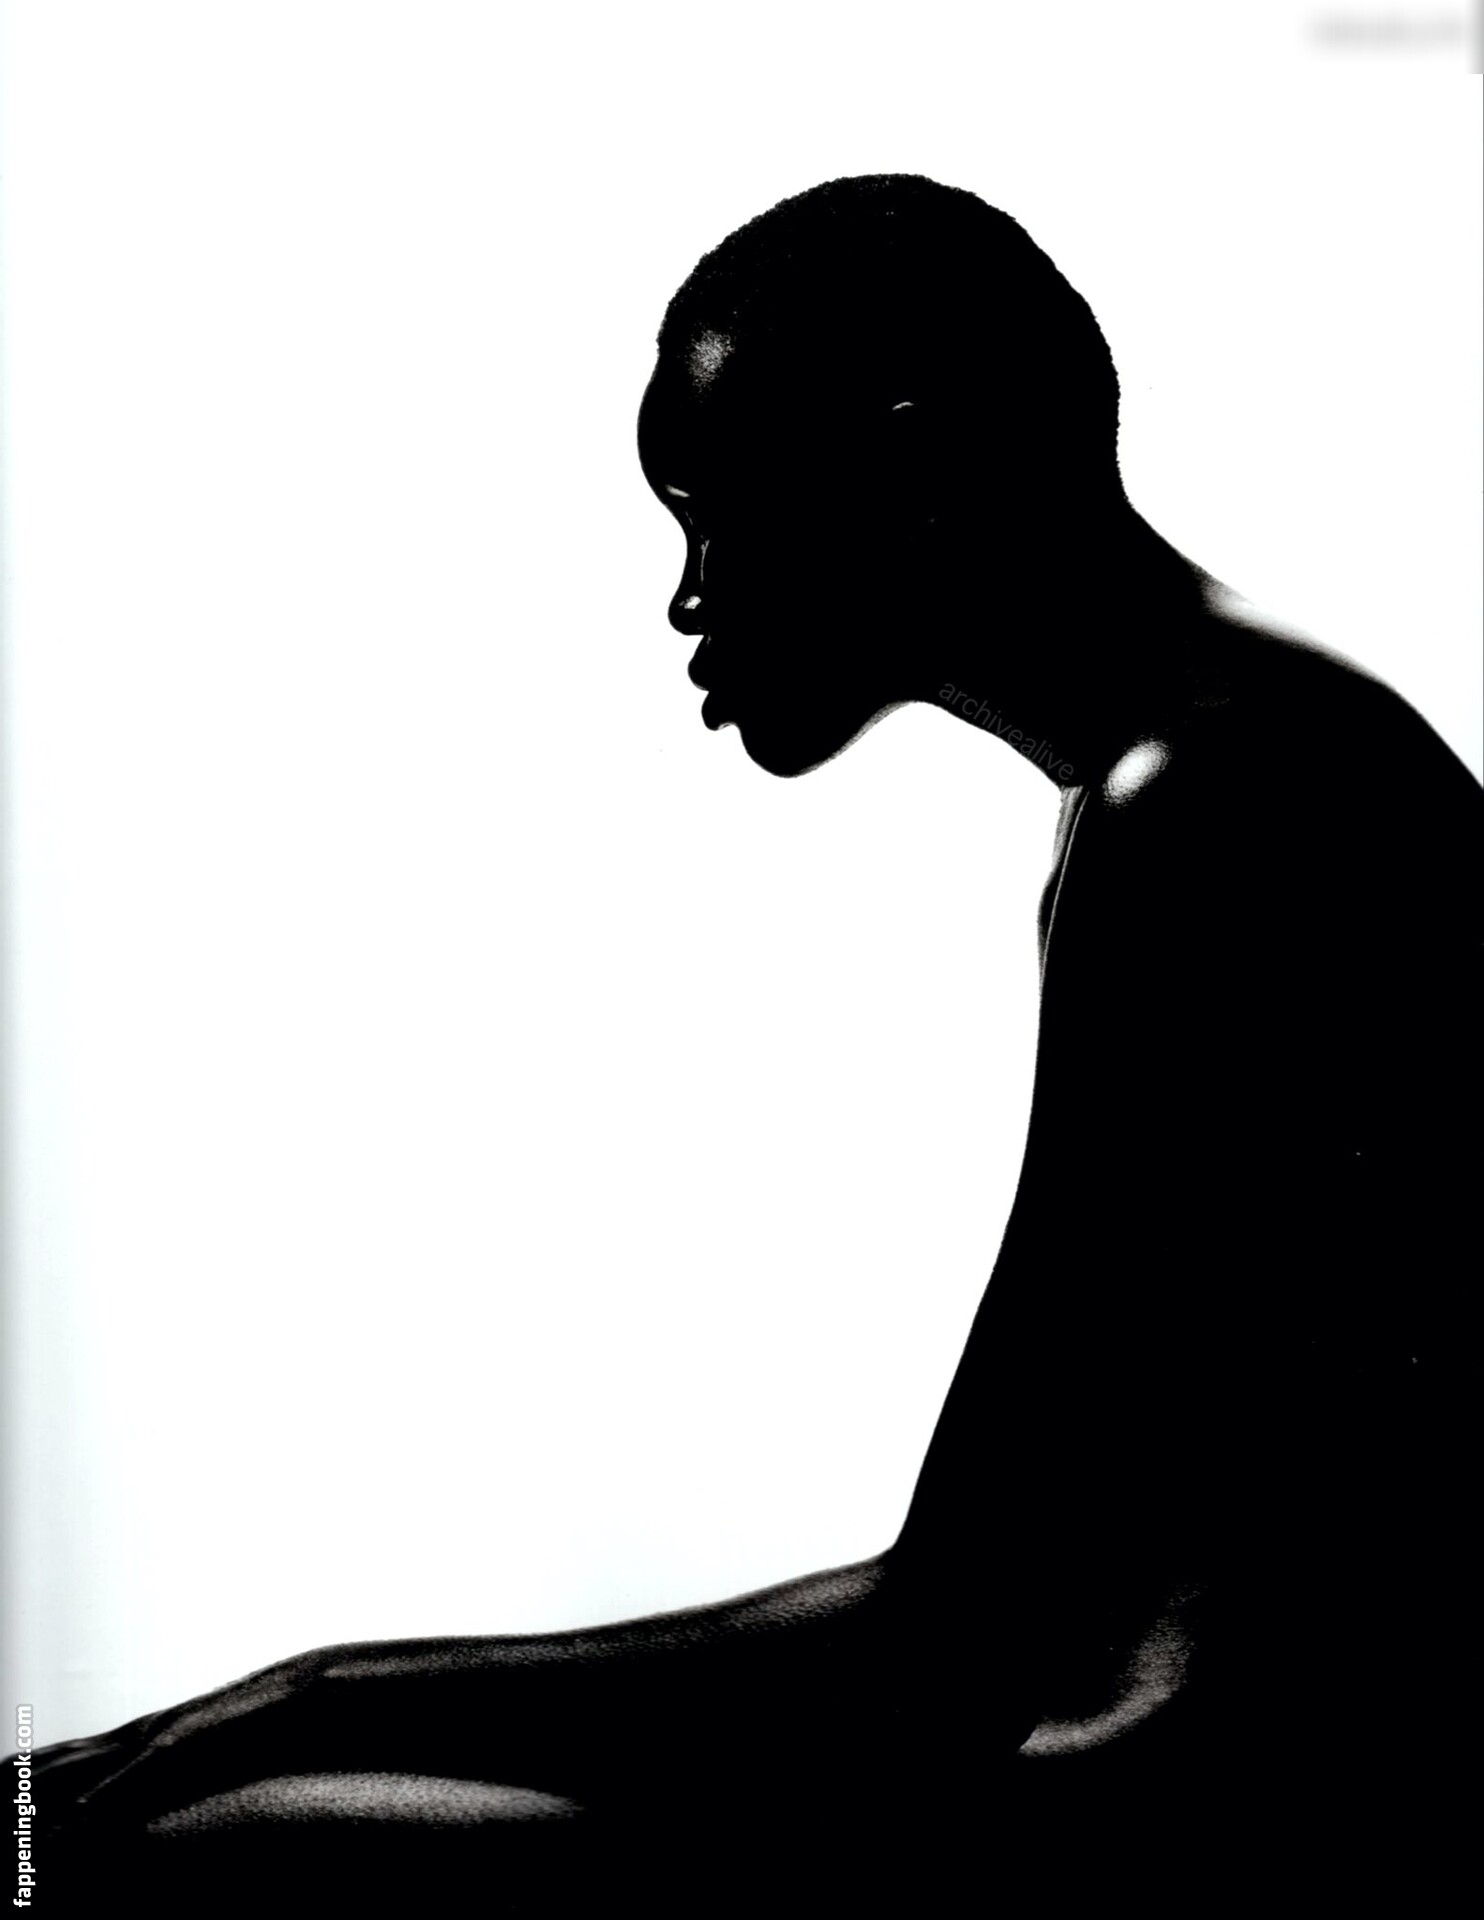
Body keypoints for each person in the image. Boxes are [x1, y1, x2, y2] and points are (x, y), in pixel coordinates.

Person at [27, 175, 1478, 1907]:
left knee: (182, 1854)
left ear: (912, 470)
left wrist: (283, 1709)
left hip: (1205, 1844)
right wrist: (279, 1711)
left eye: (713, 517)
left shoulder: (1216, 801)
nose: (689, 597)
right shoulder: (1235, 753)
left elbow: (943, 1644)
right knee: (165, 1820)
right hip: (1200, 1797)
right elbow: (990, 1604)